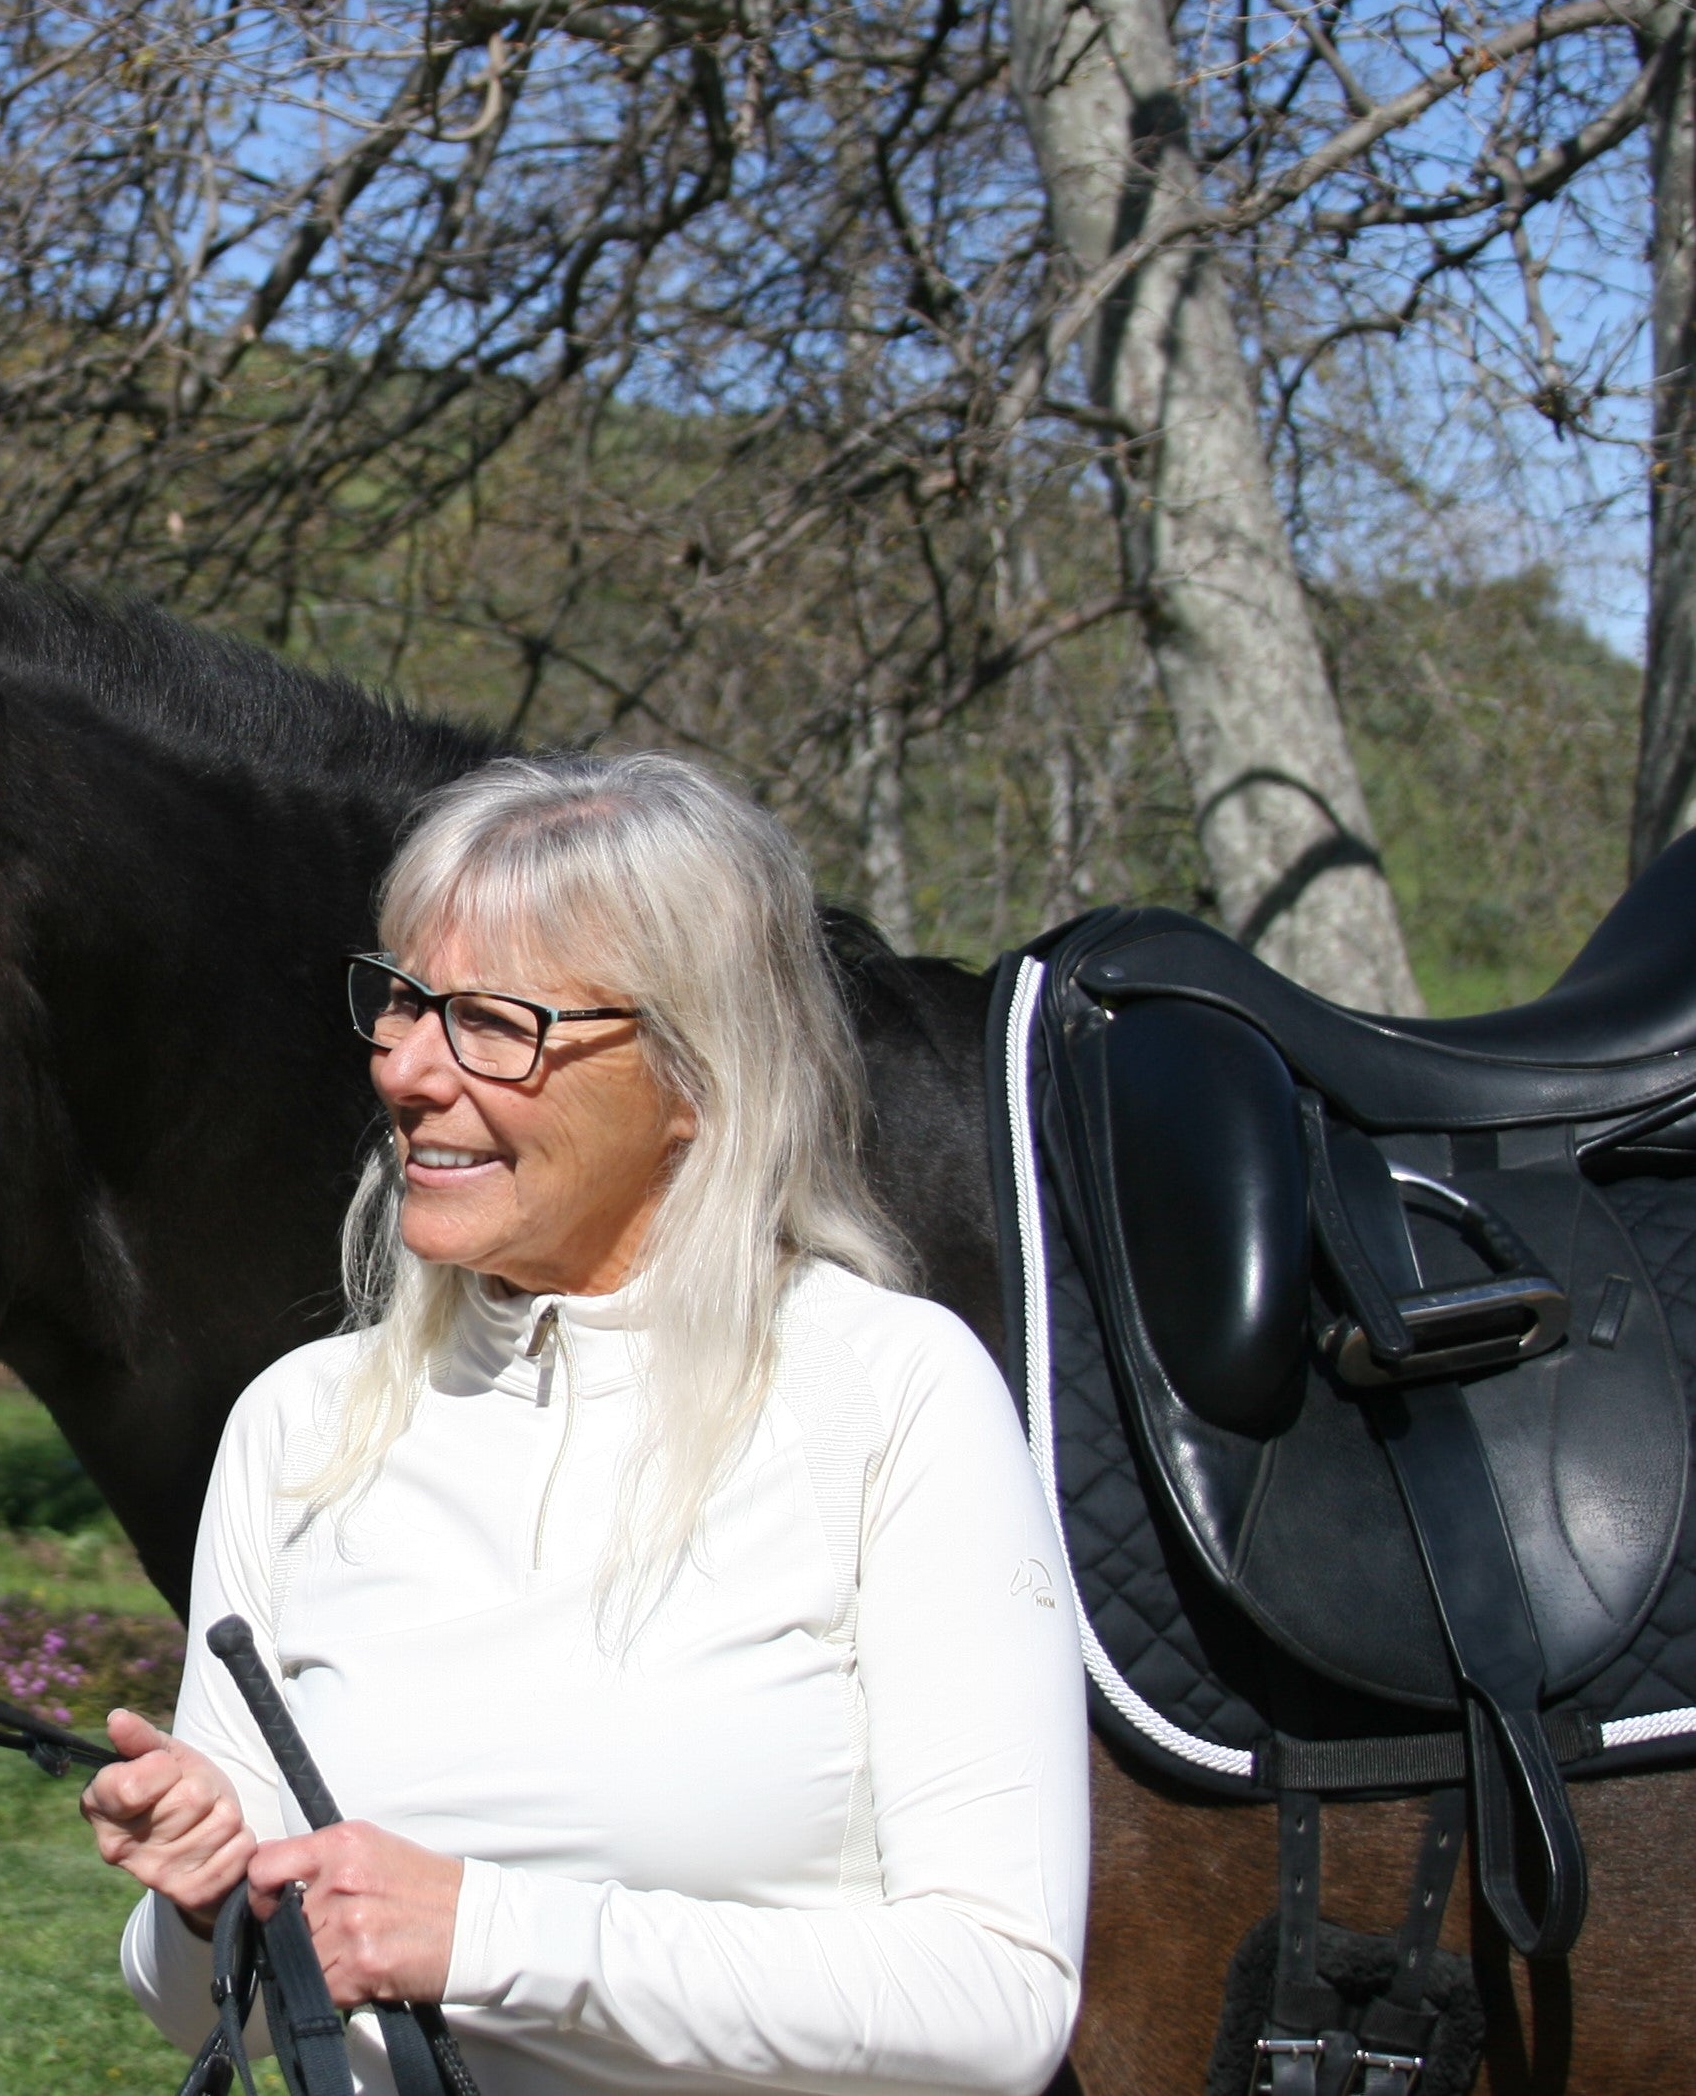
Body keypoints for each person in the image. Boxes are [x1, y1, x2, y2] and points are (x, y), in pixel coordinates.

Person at [81, 752, 1087, 2095]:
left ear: (695, 1073)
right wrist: (206, 1897)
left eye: (492, 1021)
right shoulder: (302, 1425)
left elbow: (996, 2000)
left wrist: (489, 1933)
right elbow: (215, 2010)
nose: (408, 1071)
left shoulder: (889, 1391)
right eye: (401, 1002)